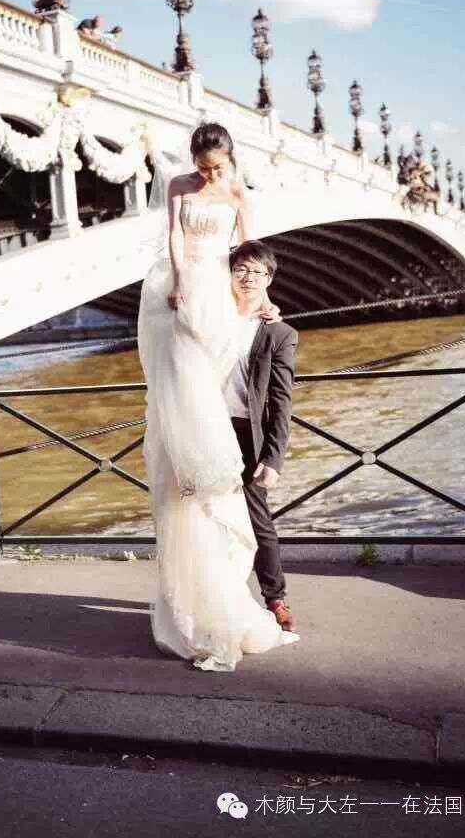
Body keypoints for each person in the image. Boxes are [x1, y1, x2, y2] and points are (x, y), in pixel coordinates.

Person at [138, 122, 300, 671]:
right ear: (192, 160)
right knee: (182, 378)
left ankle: (266, 594)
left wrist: (263, 301)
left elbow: (251, 251)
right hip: (188, 281)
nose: (209, 175)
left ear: (231, 160)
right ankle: (190, 453)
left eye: (218, 167)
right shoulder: (178, 186)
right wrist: (180, 282)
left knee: (239, 490)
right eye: (203, 167)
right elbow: (174, 238)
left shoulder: (238, 192)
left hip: (221, 284)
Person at [226, 241, 298, 632]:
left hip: (244, 433)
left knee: (257, 519)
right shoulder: (213, 319)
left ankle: (275, 598)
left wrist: (274, 458)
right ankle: (217, 594)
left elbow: (281, 400)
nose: (249, 277)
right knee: (201, 514)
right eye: (241, 269)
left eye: (258, 272)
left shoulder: (279, 333)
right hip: (204, 426)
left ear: (269, 280)